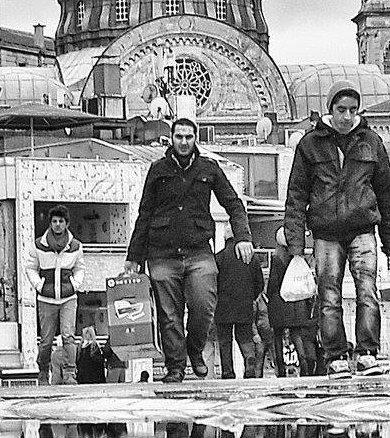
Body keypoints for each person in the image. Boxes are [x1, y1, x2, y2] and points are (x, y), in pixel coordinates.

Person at [123, 118, 252, 382]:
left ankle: (194, 349)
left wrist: (242, 236)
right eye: (179, 136)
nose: (183, 142)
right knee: (169, 315)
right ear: (171, 138)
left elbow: (234, 204)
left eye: (188, 137)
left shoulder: (209, 168)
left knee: (204, 306)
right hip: (162, 252)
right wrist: (133, 257)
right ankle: (175, 367)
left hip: (198, 250)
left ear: (195, 139)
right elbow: (144, 213)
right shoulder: (158, 169)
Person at [286, 84, 390, 376]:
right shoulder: (310, 144)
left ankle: (367, 352)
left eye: (352, 110)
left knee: (367, 291)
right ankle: (335, 354)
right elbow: (296, 195)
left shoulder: (371, 142)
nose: (347, 116)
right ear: (331, 110)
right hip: (326, 232)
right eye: (341, 110)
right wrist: (296, 246)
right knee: (329, 296)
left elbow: (387, 192)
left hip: (362, 228)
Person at [30, 204, 84, 385]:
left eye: (61, 221)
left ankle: (70, 373)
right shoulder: (39, 245)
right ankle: (43, 371)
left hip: (68, 297)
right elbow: (30, 267)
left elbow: (80, 268)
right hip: (46, 298)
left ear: (67, 223)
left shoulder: (76, 246)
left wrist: (75, 285)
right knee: (46, 340)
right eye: (54, 221)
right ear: (50, 223)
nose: (58, 224)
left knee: (68, 336)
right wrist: (39, 285)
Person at [264, 228, 321, 377]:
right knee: (296, 334)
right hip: (296, 303)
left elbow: (273, 283)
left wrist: (269, 296)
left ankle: (281, 368)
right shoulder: (298, 257)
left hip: (279, 301)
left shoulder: (277, 258)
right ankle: (304, 363)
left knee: (277, 335)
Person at [213, 233, 264, 379]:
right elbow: (260, 283)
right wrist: (250, 297)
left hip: (222, 306)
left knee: (225, 340)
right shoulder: (251, 258)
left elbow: (212, 283)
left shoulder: (219, 258)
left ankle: (228, 372)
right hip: (244, 304)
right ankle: (249, 358)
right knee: (245, 337)